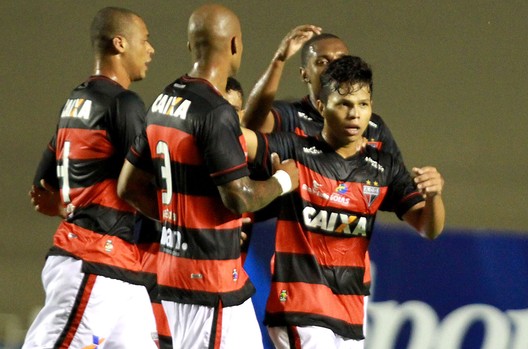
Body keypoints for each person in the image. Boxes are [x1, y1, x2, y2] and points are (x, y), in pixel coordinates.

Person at [116, 4, 299, 348]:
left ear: (190, 45)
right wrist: (284, 180)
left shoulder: (163, 101)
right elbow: (240, 197)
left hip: (180, 275)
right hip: (209, 286)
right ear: (234, 45)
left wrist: (179, 224)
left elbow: (128, 186)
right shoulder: (216, 111)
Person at [241, 55, 445, 348]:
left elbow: (430, 228)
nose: (354, 114)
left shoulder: (383, 167)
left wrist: (434, 195)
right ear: (322, 107)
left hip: (349, 311)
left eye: (363, 104)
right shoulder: (293, 150)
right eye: (344, 104)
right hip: (299, 305)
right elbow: (237, 137)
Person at [23, 7, 158, 348]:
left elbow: (43, 187)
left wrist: (73, 207)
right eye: (144, 40)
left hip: (118, 266)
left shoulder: (75, 101)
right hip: (94, 260)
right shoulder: (124, 104)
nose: (151, 49)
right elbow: (147, 181)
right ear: (120, 44)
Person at [241, 29, 402, 161]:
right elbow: (251, 124)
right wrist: (279, 60)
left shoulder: (374, 127)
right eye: (322, 62)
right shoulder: (289, 115)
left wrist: (426, 186)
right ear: (305, 75)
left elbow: (400, 185)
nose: (333, 67)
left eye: (341, 60)